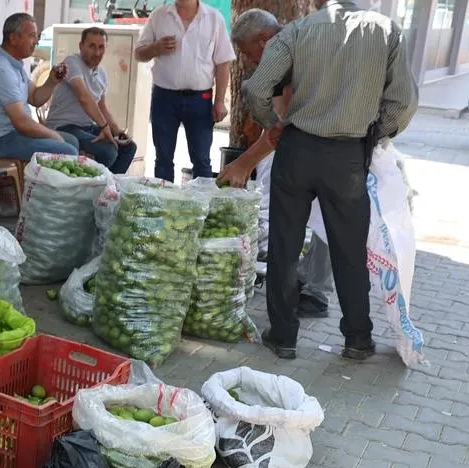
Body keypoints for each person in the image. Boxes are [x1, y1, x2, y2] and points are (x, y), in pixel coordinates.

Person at [241, 0, 417, 360]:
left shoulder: (298, 31)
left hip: (297, 151)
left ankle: (284, 337)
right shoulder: (385, 32)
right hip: (348, 156)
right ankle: (357, 339)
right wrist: (373, 135)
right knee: (349, 250)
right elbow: (404, 102)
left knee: (285, 246)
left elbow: (256, 89)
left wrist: (272, 124)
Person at [220, 9, 330, 319]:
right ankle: (293, 281)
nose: (252, 63)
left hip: (333, 143)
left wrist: (244, 163)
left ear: (265, 40)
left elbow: (279, 128)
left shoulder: (295, 49)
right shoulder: (288, 49)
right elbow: (278, 127)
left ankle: (314, 292)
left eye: (251, 55)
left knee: (324, 214)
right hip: (314, 142)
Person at [135, 0, 236, 181]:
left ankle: (202, 205)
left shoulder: (214, 18)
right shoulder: (159, 16)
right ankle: (164, 205)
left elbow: (223, 63)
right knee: (163, 158)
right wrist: (156, 47)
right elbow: (139, 54)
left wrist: (219, 101)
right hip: (164, 98)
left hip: (200, 99)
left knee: (202, 159)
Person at [0, 13, 79, 161]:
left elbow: (35, 98)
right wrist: (53, 135)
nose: (36, 41)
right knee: (67, 151)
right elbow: (22, 122)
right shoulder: (1, 69)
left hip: (15, 133)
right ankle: (41, 185)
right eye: (32, 36)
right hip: (0, 140)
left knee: (71, 142)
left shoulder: (13, 65)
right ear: (13, 38)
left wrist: (51, 81)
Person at [44, 26, 138, 174]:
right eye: (92, 46)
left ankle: (109, 187)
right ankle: (93, 187)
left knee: (129, 147)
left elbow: (102, 107)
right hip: (64, 127)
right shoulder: (72, 62)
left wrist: (117, 131)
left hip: (87, 127)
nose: (97, 52)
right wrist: (104, 126)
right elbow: (84, 97)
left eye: (101, 47)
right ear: (81, 46)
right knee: (108, 152)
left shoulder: (102, 73)